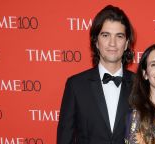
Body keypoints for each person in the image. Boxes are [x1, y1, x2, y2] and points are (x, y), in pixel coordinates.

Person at [57, 5, 135, 144]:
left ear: (126, 43)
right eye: (105, 35)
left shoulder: (140, 85)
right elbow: (65, 138)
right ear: (96, 42)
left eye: (119, 36)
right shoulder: (76, 85)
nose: (112, 43)